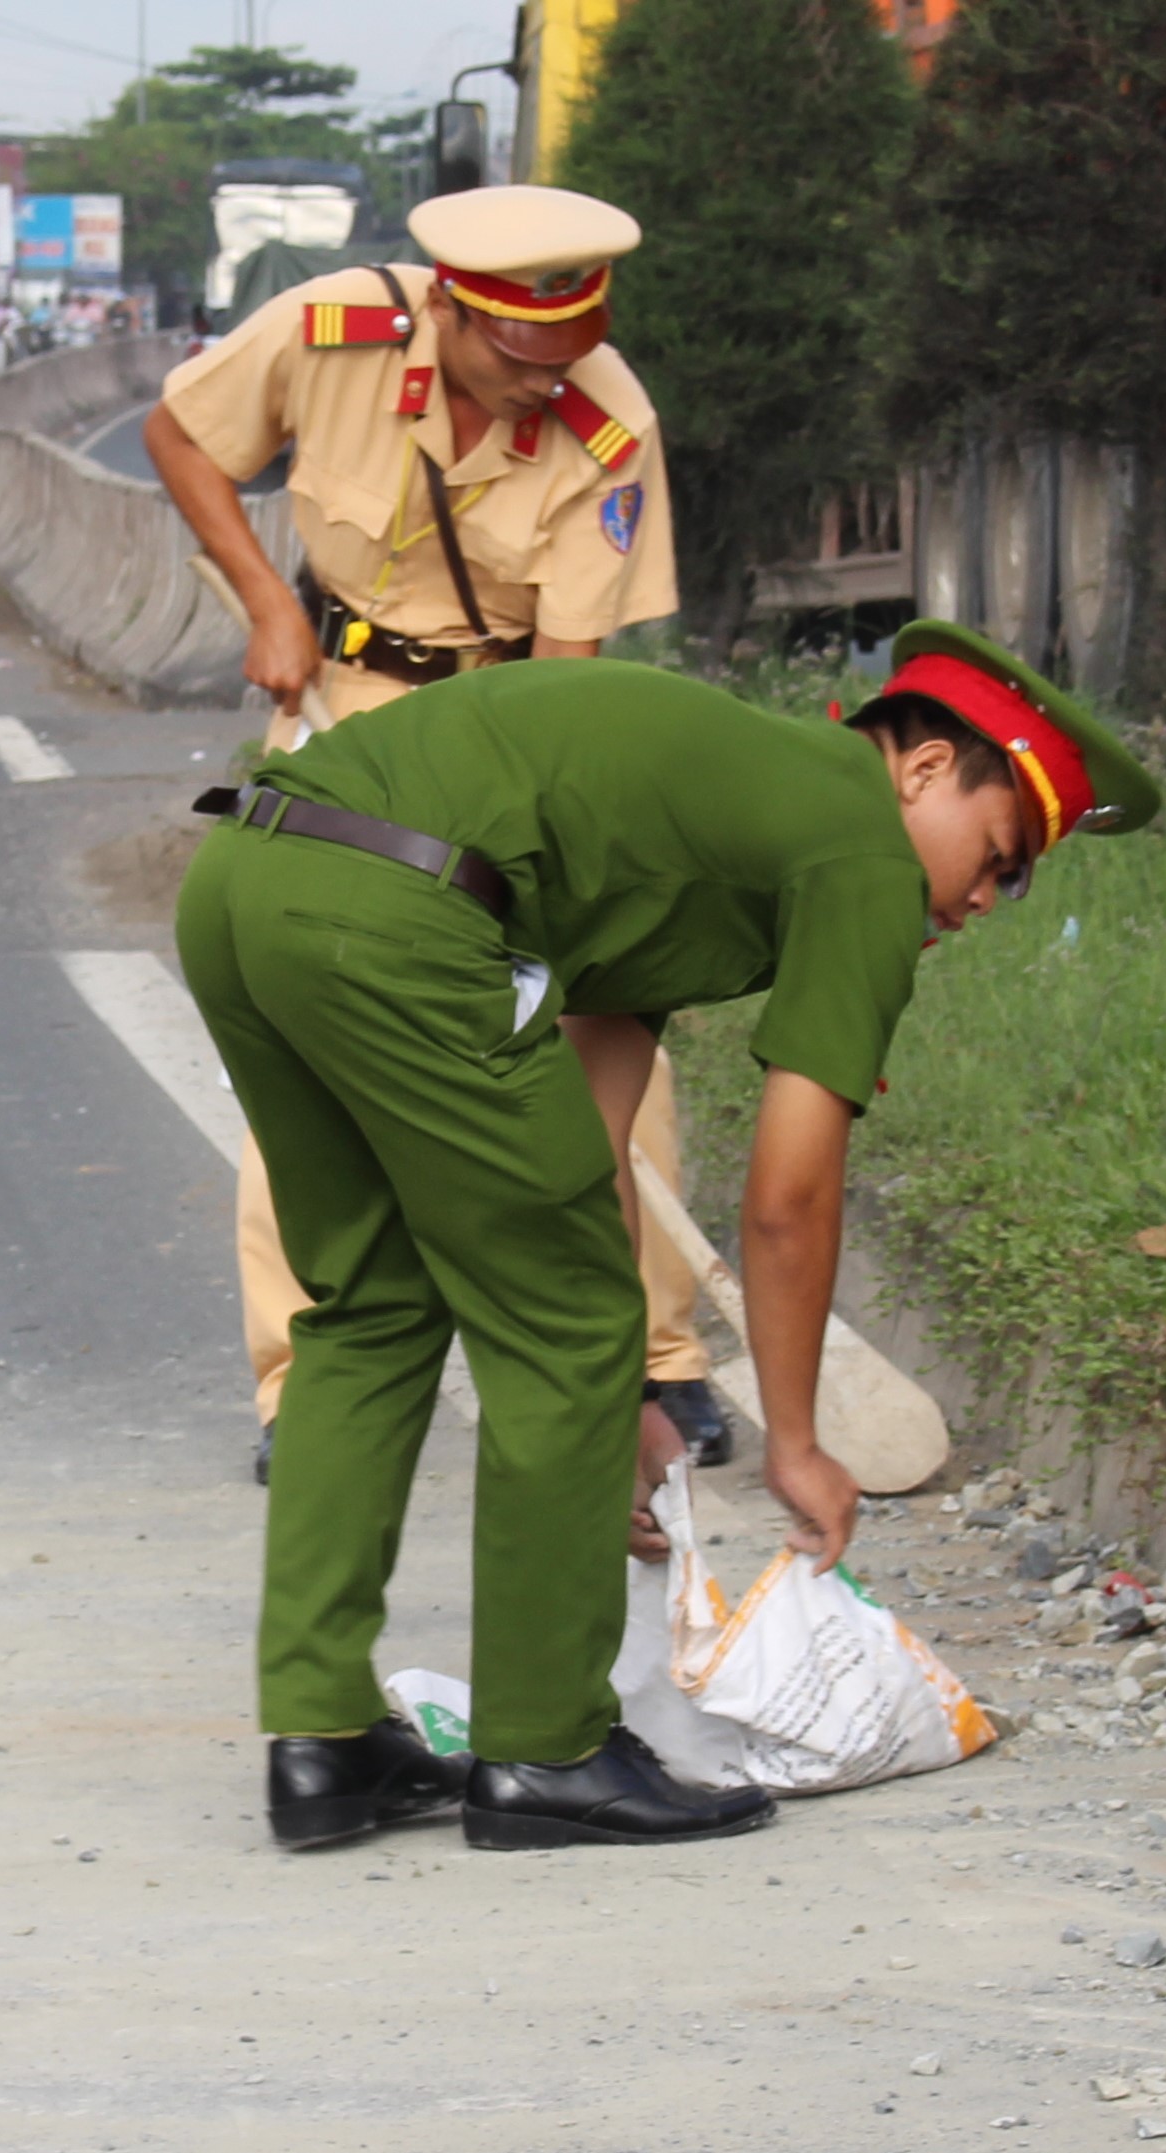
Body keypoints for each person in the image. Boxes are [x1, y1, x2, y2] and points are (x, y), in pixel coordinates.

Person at [174, 620, 1159, 1850]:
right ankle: (546, 1751)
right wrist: (795, 1439)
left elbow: (587, 1121)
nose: (979, 901)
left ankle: (320, 1741)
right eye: (996, 852)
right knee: (571, 1315)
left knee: (375, 1301)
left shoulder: (727, 805)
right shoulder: (857, 845)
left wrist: (619, 1404)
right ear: (916, 769)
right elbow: (789, 1194)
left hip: (249, 886)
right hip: (394, 915)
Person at [148, 183, 735, 1486]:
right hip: (344, 706)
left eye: (567, 359)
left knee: (600, 1015)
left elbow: (568, 679)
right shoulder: (328, 331)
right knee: (305, 1016)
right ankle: (303, 1379)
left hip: (514, 714)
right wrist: (265, 600)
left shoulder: (606, 421)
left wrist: (534, 857)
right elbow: (182, 433)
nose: (545, 387)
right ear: (455, 315)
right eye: (522, 363)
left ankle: (658, 1357)